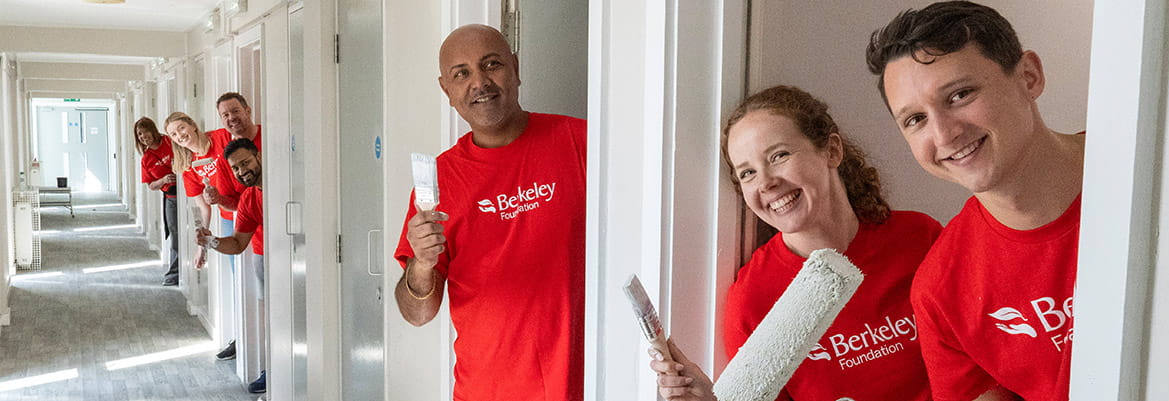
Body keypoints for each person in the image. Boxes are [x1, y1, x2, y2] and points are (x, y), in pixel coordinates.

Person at [648, 86, 942, 401]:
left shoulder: (920, 238)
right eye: (747, 173)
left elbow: (976, 360)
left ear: (832, 151)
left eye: (779, 156)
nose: (766, 182)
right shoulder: (754, 301)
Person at [865, 2, 1083, 400]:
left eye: (960, 94)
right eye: (915, 120)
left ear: (1029, 77)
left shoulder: (1156, 173)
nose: (945, 134)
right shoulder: (941, 292)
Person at [393, 24, 587, 401]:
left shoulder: (581, 142)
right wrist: (421, 264)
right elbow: (418, 314)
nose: (479, 82)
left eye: (492, 64)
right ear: (446, 90)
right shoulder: (439, 181)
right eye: (461, 73)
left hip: (590, 384)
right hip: (487, 391)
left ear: (515, 68)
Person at [165, 111, 247, 361]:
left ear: (192, 124)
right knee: (240, 280)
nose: (180, 136)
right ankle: (243, 338)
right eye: (173, 134)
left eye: (181, 128)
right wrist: (203, 246)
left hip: (249, 209)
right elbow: (203, 207)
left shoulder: (223, 138)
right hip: (227, 219)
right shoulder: (187, 165)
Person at [195, 138, 267, 394]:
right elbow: (237, 244)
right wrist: (211, 241)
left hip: (298, 259)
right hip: (265, 257)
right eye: (236, 168)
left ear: (258, 156)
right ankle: (273, 371)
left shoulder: (286, 183)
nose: (242, 170)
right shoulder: (249, 198)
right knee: (271, 314)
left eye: (245, 162)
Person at [134, 116, 180, 286]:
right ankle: (175, 273)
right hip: (171, 197)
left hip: (187, 192)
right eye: (139, 134)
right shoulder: (146, 158)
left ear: (153, 130)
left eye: (145, 131)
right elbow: (151, 185)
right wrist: (163, 180)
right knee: (175, 236)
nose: (143, 136)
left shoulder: (169, 142)